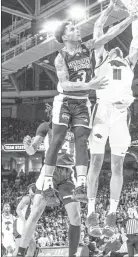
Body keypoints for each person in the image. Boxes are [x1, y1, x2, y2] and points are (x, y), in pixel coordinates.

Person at [41, 0, 137, 203]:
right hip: (66, 100)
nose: (77, 31)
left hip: (83, 102)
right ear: (65, 36)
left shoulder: (87, 47)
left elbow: (111, 33)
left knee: (82, 141)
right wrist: (90, 86)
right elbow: (65, 84)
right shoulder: (60, 58)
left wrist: (129, 17)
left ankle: (81, 185)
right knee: (57, 139)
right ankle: (48, 183)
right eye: (73, 29)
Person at [87, 0, 138, 237]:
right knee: (97, 162)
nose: (117, 47)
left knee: (117, 164)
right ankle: (91, 212)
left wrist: (136, 17)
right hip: (101, 111)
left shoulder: (128, 62)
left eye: (120, 48)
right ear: (108, 49)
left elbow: (136, 42)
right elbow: (98, 30)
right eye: (112, 46)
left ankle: (111, 213)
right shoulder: (102, 59)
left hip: (120, 114)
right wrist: (108, 9)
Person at [16, 105, 81, 257]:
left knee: (76, 216)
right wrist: (27, 146)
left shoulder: (75, 127)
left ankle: (72, 254)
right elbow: (32, 150)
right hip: (49, 172)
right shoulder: (46, 126)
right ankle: (20, 253)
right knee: (35, 212)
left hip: (67, 173)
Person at [13, 184, 36, 257]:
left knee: (32, 245)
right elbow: (18, 209)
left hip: (27, 224)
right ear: (29, 190)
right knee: (19, 247)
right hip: (20, 223)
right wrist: (24, 221)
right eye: (33, 188)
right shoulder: (27, 198)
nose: (35, 189)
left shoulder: (35, 199)